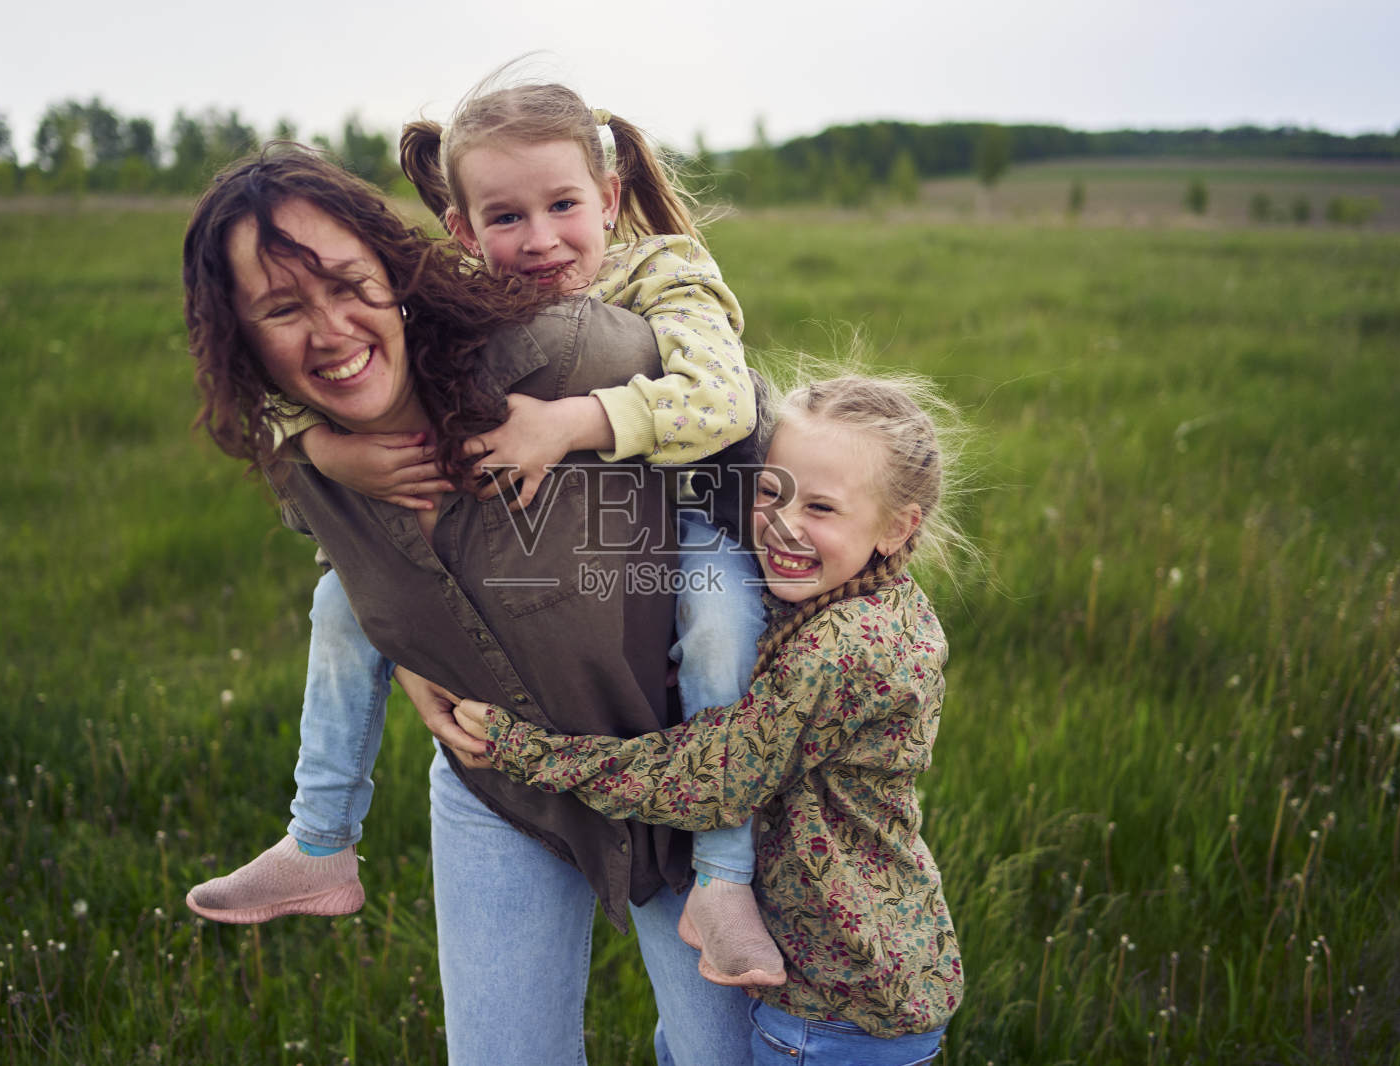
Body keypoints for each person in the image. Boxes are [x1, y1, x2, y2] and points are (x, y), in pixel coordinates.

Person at [188, 79, 784, 986]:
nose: (540, 240)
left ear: (609, 199)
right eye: (507, 218)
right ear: (463, 232)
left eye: (563, 206)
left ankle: (724, 872)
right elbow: (286, 381)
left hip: (688, 515)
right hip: (529, 618)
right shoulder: (467, 301)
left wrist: (569, 423)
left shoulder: (664, 273)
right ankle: (320, 837)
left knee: (718, 630)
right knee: (341, 600)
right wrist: (326, 448)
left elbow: (721, 404)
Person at [454, 374, 967, 1065]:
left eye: (820, 507)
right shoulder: (869, 601)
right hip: (852, 980)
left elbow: (711, 777)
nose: (783, 524)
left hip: (838, 1009)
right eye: (770, 492)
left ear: (898, 527)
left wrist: (523, 749)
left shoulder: (848, 647)